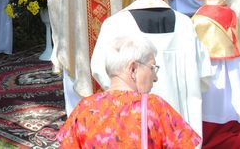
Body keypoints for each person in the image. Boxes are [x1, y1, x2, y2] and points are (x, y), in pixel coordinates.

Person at [91, 0, 211, 139]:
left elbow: (100, 69)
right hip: (180, 120)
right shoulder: (185, 23)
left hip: (135, 118)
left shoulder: (115, 23)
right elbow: (203, 73)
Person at [60, 34, 201, 148]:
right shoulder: (155, 107)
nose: (156, 77)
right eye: (152, 68)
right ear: (133, 68)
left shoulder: (84, 108)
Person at [188, 0, 240, 149]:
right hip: (237, 82)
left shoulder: (201, 20)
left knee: (214, 121)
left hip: (215, 83)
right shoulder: (231, 11)